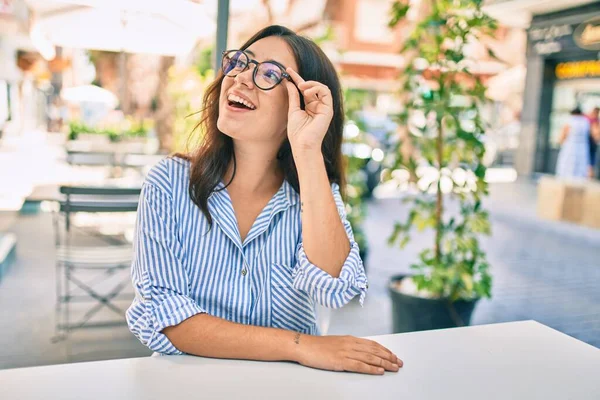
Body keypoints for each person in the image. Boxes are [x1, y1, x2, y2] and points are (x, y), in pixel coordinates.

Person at [126, 25, 402, 375]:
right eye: (240, 63)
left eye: (270, 74)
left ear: (303, 103)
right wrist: (301, 346)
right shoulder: (168, 182)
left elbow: (336, 286)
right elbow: (165, 316)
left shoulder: (314, 193)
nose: (241, 78)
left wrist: (306, 148)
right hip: (185, 384)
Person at [555, 107, 591, 179]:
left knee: (567, 167)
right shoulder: (585, 122)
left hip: (570, 147)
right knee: (580, 168)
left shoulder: (570, 121)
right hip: (582, 147)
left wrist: (560, 142)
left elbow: (562, 136)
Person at [585, 107, 600, 179]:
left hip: (590, 143)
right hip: (590, 143)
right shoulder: (592, 120)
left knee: (590, 161)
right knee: (590, 161)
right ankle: (589, 176)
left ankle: (589, 176)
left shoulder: (593, 120)